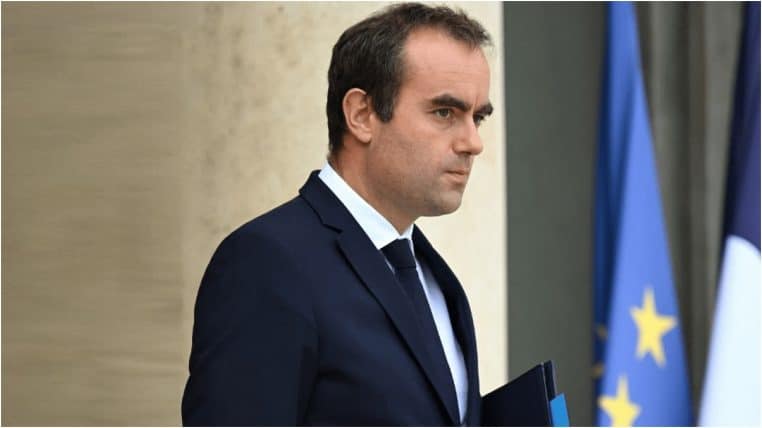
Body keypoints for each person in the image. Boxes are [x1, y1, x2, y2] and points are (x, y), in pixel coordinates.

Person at [181, 3, 493, 426]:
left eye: (478, 117)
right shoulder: (267, 262)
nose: (473, 142)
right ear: (362, 115)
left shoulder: (432, 277)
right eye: (445, 113)